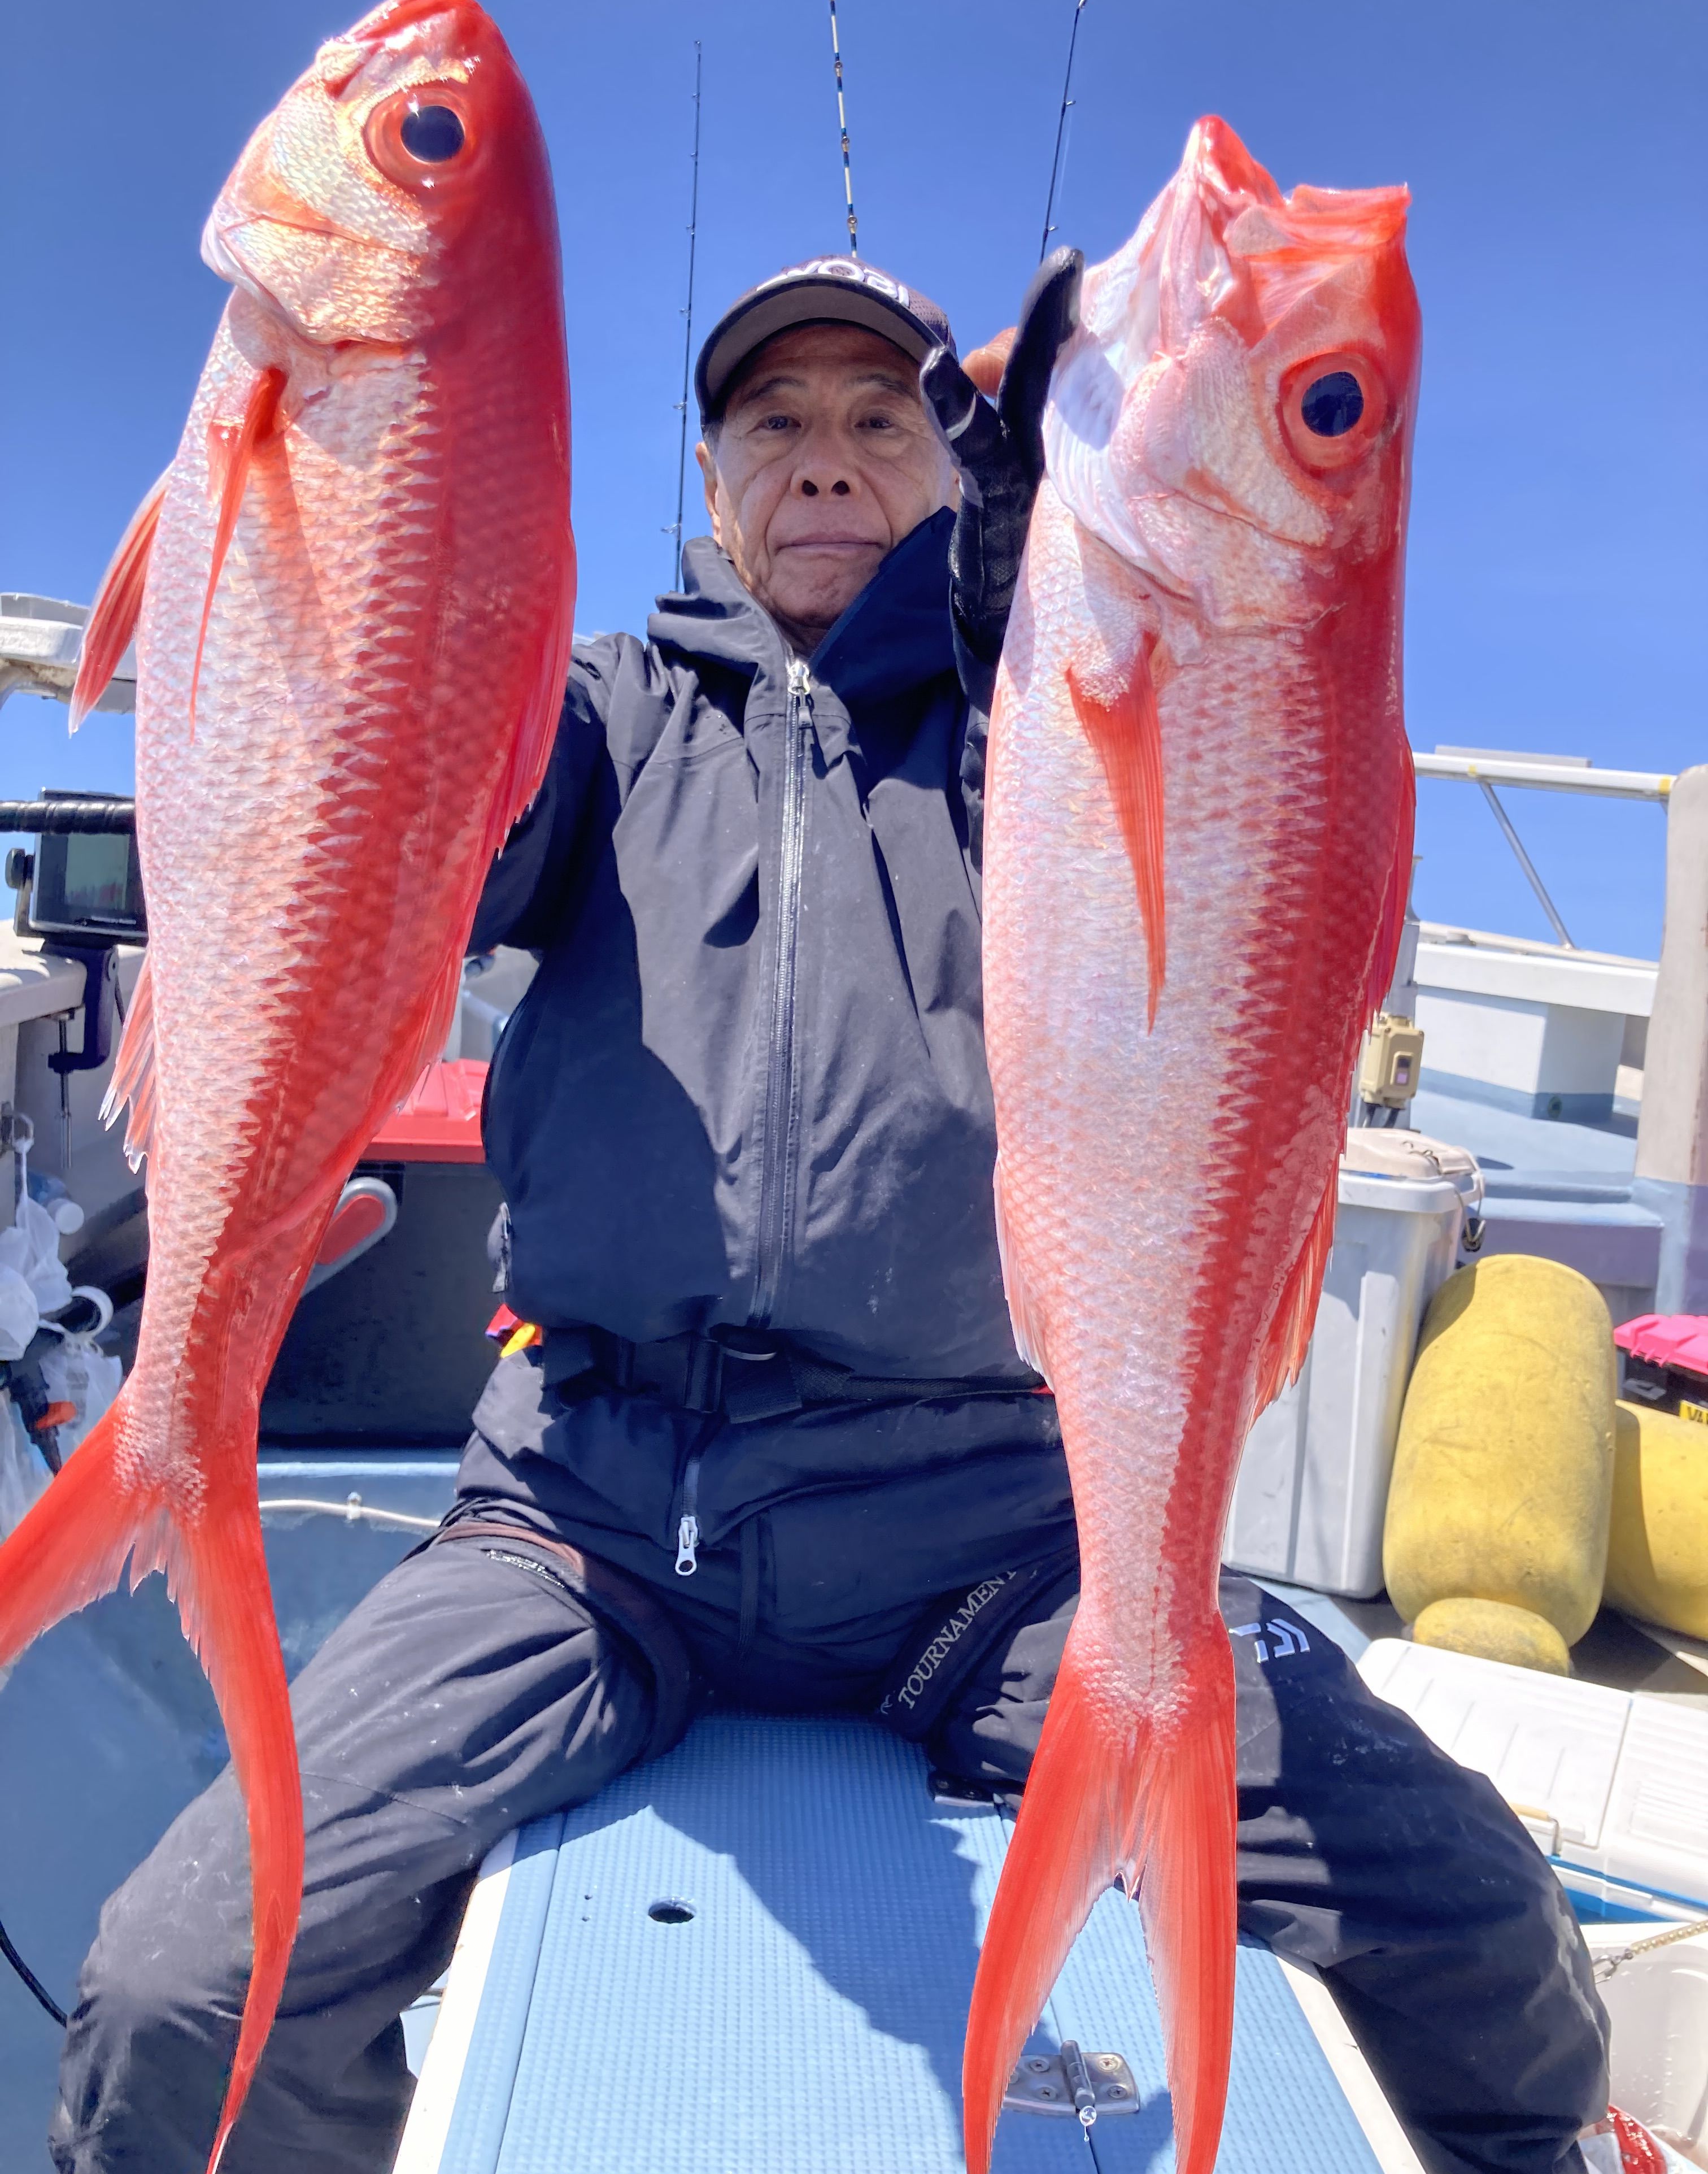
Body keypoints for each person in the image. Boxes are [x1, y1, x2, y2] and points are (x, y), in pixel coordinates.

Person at [50, 255, 1609, 2174]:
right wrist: (347, 524)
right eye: (773, 422)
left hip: (995, 1535)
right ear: (711, 481)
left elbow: (1215, 857)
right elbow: (435, 812)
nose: (824, 461)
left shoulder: (1049, 726)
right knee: (177, 1990)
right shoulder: (598, 716)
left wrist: (1024, 609)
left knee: (1483, 1926)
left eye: (882, 422)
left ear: (957, 481)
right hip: (586, 1525)